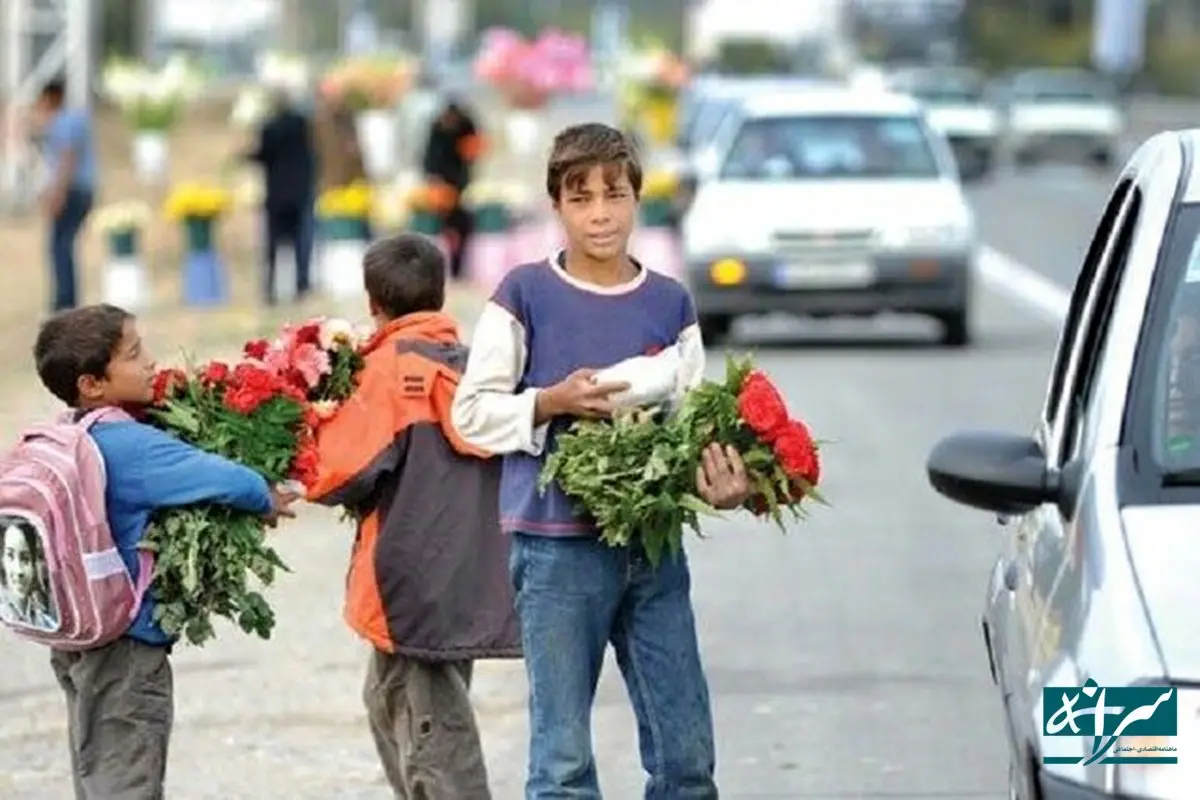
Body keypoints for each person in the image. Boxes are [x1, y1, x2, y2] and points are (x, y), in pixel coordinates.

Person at [450, 123, 751, 799]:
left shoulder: (669, 302)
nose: (600, 214)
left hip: (653, 547)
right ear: (556, 205)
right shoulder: (524, 294)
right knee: (561, 765)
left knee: (686, 759)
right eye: (581, 198)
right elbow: (469, 414)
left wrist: (728, 483)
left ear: (637, 199)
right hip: (557, 552)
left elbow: (692, 420)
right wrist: (550, 402)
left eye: (614, 195)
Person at [33, 303, 297, 799]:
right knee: (127, 778)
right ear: (92, 383)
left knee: (98, 763)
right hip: (125, 645)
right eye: (134, 354)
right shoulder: (128, 444)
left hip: (74, 636)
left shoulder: (69, 430)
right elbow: (224, 477)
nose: (151, 361)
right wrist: (265, 496)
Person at [306, 234, 520, 798]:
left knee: (432, 736)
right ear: (440, 294)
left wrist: (311, 422)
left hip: (407, 583)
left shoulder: (384, 375)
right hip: (464, 579)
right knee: (394, 703)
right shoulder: (470, 367)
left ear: (374, 303)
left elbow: (338, 475)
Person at [244, 87, 317, 305]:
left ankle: (270, 289)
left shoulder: (269, 128)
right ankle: (301, 285)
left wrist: (245, 154)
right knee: (301, 243)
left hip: (276, 194)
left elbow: (262, 156)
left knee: (273, 246)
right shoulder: (302, 125)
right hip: (300, 192)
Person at [34, 78, 96, 312]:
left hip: (72, 189)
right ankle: (66, 299)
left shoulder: (62, 123)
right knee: (64, 243)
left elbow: (67, 159)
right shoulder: (76, 119)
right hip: (84, 189)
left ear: (50, 98)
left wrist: (57, 192)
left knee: (59, 245)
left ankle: (65, 301)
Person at [421, 100, 483, 281]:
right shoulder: (437, 130)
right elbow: (430, 160)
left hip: (460, 187)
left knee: (461, 230)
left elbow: (473, 152)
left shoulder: (466, 127)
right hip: (441, 189)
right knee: (441, 232)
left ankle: (457, 269)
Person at [0, 518, 57, 629]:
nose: (18, 570)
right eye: (10, 556)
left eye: (25, 559)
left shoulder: (40, 617)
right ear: (2, 559)